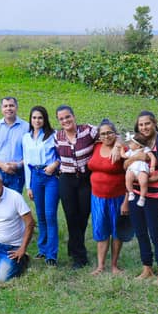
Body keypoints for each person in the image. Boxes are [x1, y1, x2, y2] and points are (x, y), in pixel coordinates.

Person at [126, 110, 158, 284]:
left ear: (154, 123)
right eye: (141, 124)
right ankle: (147, 268)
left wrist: (145, 178)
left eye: (147, 123)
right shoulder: (138, 142)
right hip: (135, 194)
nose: (144, 127)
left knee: (155, 232)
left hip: (154, 195)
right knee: (140, 232)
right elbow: (125, 165)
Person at [54, 105, 102, 270]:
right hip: (66, 179)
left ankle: (73, 245)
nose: (65, 121)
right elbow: (54, 156)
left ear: (74, 116)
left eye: (68, 117)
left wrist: (117, 146)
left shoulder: (88, 130)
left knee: (83, 215)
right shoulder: (57, 136)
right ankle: (79, 257)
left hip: (85, 179)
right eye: (61, 119)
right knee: (71, 216)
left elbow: (111, 134)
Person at [88, 119, 133, 275]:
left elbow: (131, 176)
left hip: (118, 197)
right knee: (101, 230)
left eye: (109, 133)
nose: (106, 136)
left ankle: (114, 265)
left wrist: (126, 201)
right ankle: (100, 266)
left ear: (115, 133)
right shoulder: (96, 147)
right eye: (103, 133)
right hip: (97, 197)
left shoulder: (123, 150)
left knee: (116, 231)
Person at [21, 106, 61, 267]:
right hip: (35, 176)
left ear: (45, 119)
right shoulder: (26, 137)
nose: (37, 121)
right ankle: (42, 249)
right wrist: (29, 185)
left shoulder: (54, 136)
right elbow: (26, 162)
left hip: (51, 176)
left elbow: (62, 156)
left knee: (50, 214)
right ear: (30, 120)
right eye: (34, 118)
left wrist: (54, 165)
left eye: (40, 118)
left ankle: (52, 254)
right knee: (41, 215)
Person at [0, 96, 28, 193]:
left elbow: (30, 153)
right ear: (1, 109)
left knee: (14, 204)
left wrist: (18, 165)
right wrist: (2, 165)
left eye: (11, 106)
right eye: (5, 106)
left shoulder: (27, 127)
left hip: (17, 173)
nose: (8, 108)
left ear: (16, 107)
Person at [123, 133, 156, 208]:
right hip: (132, 168)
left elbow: (152, 157)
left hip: (141, 168)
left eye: (131, 143)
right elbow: (124, 156)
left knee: (143, 182)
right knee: (128, 178)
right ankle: (131, 193)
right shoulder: (130, 151)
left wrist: (152, 166)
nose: (129, 145)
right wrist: (121, 148)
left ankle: (142, 197)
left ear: (138, 145)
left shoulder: (145, 149)